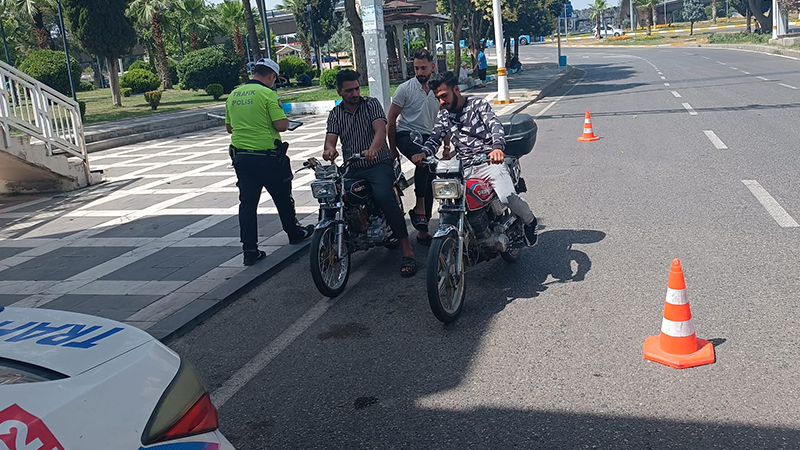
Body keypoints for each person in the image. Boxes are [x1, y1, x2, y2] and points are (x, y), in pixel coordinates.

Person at [412, 71, 538, 246]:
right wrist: (424, 153)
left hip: (489, 162)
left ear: (455, 89)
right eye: (438, 98)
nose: (441, 102)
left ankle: (530, 220)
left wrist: (497, 148)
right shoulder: (443, 115)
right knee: (449, 201)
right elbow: (435, 138)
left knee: (507, 196)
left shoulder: (477, 105)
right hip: (464, 168)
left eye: (444, 96)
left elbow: (495, 126)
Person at [323, 70, 418, 277]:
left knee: (384, 197)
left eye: (356, 88)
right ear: (339, 92)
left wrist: (374, 149)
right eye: (349, 90)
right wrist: (329, 149)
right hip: (352, 167)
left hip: (378, 164)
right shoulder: (336, 114)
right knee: (335, 198)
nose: (354, 93)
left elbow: (380, 130)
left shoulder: (371, 104)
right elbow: (331, 138)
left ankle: (407, 250)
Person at [225, 58, 314, 266]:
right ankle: (294, 232)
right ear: (272, 76)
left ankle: (249, 250)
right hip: (268, 157)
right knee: (283, 197)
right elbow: (281, 125)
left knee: (247, 204)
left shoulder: (233, 95)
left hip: (242, 158)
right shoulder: (268, 94)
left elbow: (229, 128)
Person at [387, 48, 441, 245]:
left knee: (429, 182)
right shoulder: (405, 89)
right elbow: (391, 120)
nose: (420, 72)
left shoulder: (438, 89)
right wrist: (393, 149)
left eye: (423, 68)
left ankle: (423, 230)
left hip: (427, 137)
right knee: (421, 160)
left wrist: (446, 144)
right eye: (416, 68)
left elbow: (445, 118)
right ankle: (418, 207)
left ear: (432, 67)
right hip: (406, 135)